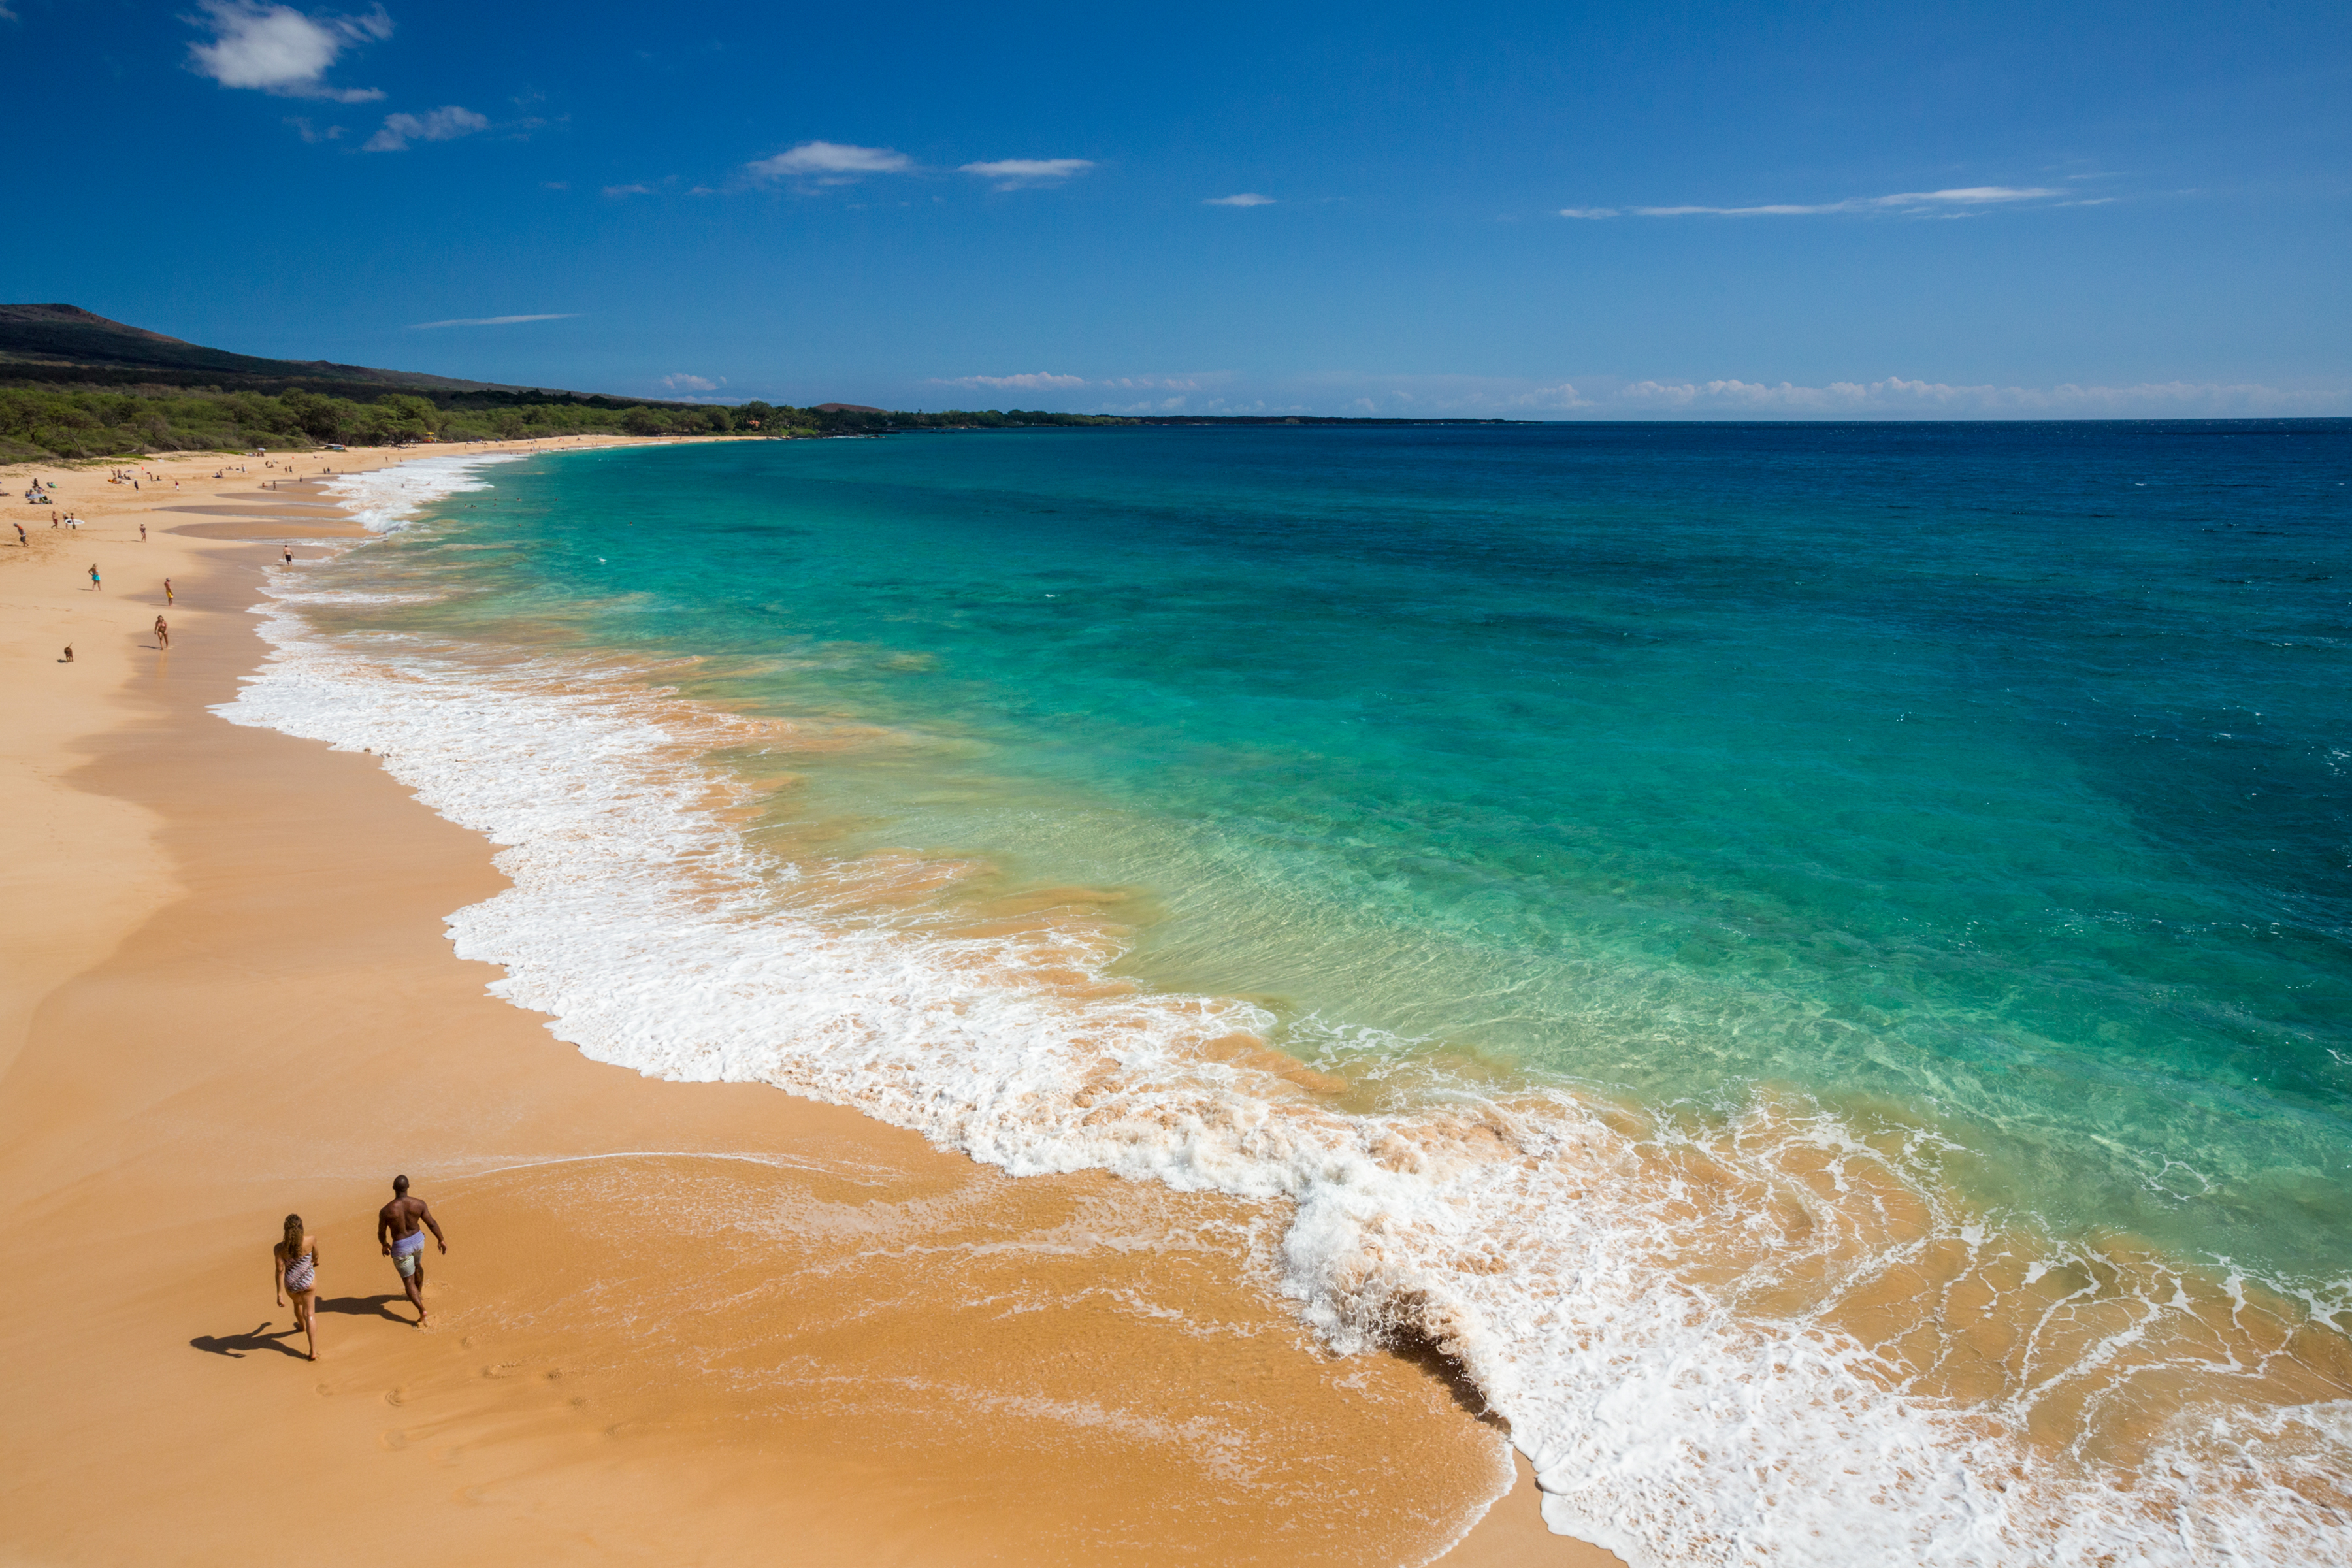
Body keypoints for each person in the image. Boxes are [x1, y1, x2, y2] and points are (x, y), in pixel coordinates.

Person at [376, 1175, 446, 1325]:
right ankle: (418, 1293)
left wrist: (384, 1244)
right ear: (408, 1187)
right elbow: (432, 1223)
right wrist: (441, 1239)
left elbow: (381, 1232)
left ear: (394, 1188)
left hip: (402, 1246)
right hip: (418, 1241)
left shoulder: (386, 1211)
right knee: (417, 1265)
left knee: (408, 1281)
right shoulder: (419, 1204)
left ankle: (422, 1311)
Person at [274, 1213, 321, 1362]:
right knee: (310, 1314)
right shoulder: (310, 1240)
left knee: (297, 1304)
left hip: (292, 1284)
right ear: (301, 1227)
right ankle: (313, 1351)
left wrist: (279, 1294)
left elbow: (279, 1271)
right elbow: (316, 1257)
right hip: (308, 1282)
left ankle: (302, 1326)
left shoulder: (279, 1248)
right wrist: (315, 1262)